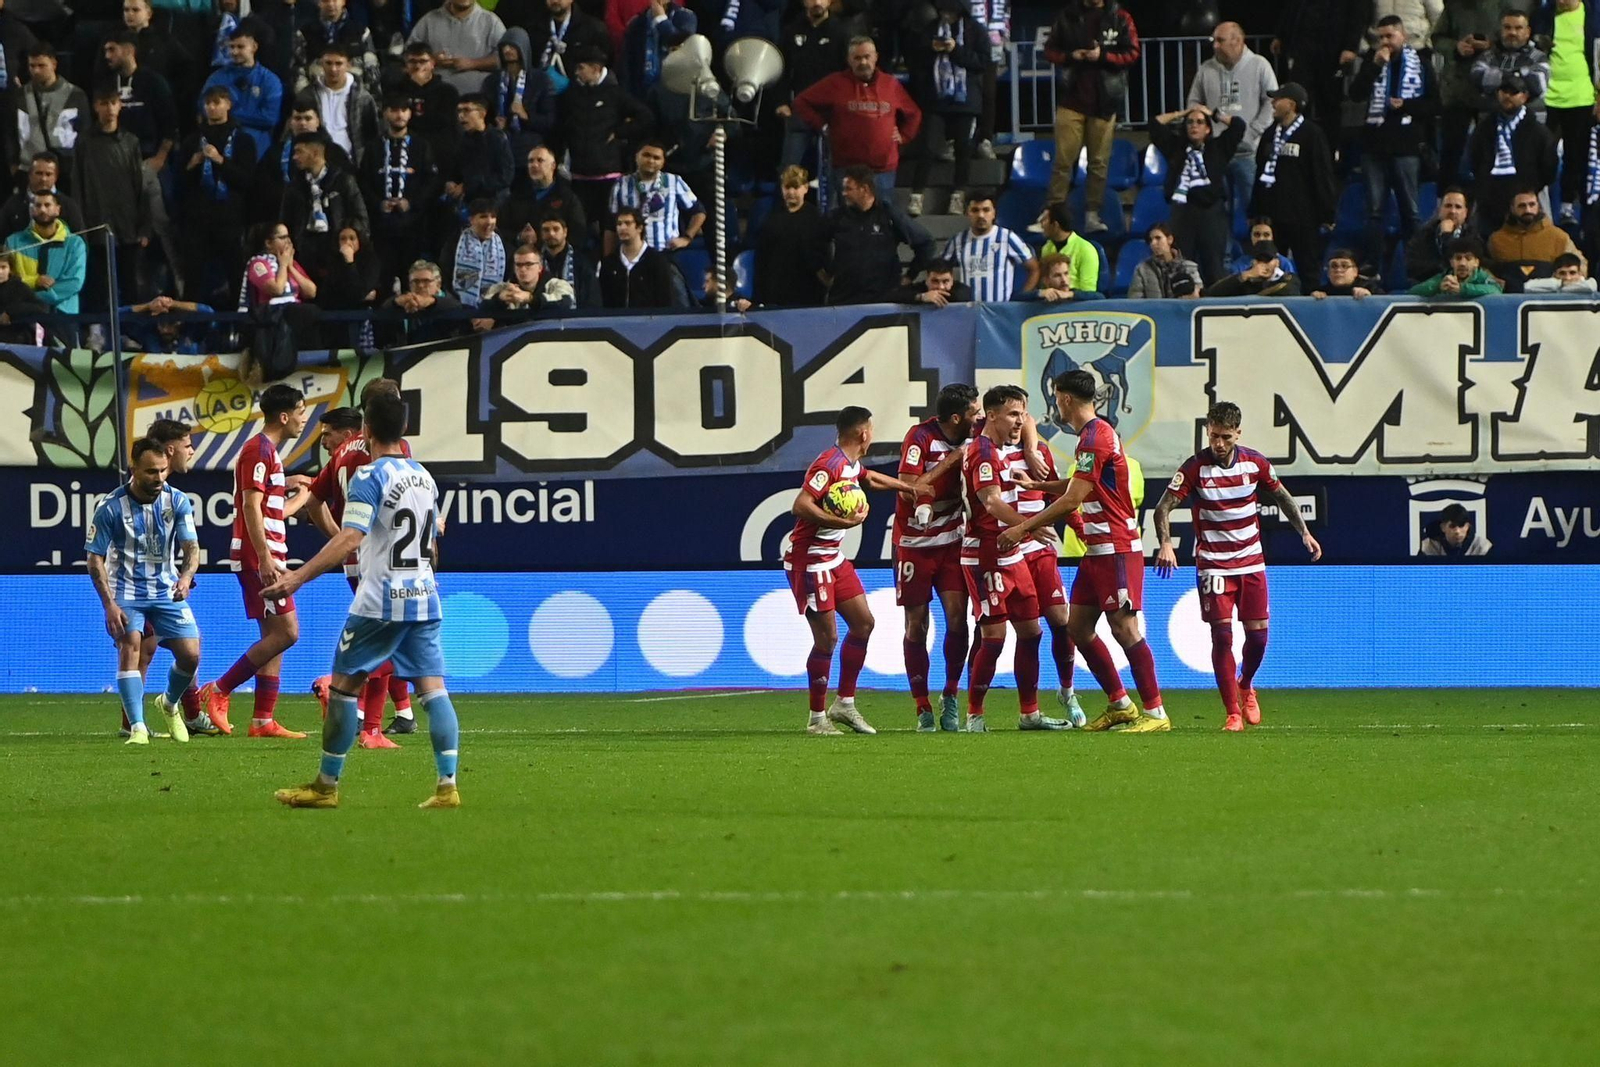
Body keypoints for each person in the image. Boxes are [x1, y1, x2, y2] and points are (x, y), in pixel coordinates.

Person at [267, 391, 464, 809]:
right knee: (434, 690)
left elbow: (351, 537)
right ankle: (447, 786)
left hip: (379, 602)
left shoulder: (369, 477)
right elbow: (429, 543)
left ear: (366, 430)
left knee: (342, 689)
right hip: (424, 597)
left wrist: (297, 577)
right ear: (405, 430)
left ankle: (325, 786)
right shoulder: (425, 477)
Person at [999, 370, 1168, 732]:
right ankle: (1120, 704)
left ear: (1065, 399)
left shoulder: (1095, 437)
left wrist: (1022, 528)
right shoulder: (1093, 435)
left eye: (1055, 397)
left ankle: (1156, 713)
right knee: (1077, 627)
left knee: (1124, 628)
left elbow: (1074, 498)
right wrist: (1038, 483)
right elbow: (1081, 485)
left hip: (1117, 548)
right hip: (1098, 550)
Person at [1152, 400, 1322, 731]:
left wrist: (1304, 533)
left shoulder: (1255, 464)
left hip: (1251, 562)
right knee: (1222, 637)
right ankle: (1232, 712)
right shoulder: (1194, 468)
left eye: (1226, 437)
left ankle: (1245, 684)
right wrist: (1167, 543)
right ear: (1207, 431)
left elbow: (1283, 497)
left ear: (1238, 434)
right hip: (1213, 566)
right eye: (1213, 436)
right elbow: (1163, 508)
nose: (1218, 444)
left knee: (1258, 638)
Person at [784, 405, 920, 735]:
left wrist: (910, 487)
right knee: (827, 638)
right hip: (810, 560)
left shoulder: (849, 464)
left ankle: (844, 704)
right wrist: (842, 521)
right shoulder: (828, 464)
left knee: (863, 624)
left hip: (833, 557)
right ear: (863, 433)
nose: (871, 435)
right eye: (871, 430)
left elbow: (868, 477)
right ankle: (817, 719)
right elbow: (800, 505)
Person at [302, 383, 417, 745]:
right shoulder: (390, 450)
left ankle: (374, 723)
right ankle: (353, 706)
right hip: (385, 558)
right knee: (395, 640)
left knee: (387, 639)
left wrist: (339, 537)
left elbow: (313, 501)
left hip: (354, 556)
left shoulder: (340, 455)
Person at [954, 386, 1072, 731]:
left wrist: (1023, 531)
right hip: (985, 554)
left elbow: (1027, 422)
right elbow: (991, 503)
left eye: (1022, 414)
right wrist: (1029, 526)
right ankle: (974, 715)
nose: (1020, 421)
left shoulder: (999, 447)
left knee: (1031, 631)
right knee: (994, 637)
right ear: (990, 416)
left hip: (1010, 551)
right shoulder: (984, 452)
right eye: (1012, 415)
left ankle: (1030, 713)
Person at [196, 383, 310, 739]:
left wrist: (298, 493)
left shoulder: (268, 454)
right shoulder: (257, 450)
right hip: (260, 556)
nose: (305, 419)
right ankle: (219, 690)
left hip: (269, 551)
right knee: (288, 632)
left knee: (274, 635)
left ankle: (262, 720)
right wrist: (264, 556)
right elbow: (249, 505)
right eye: (302, 411)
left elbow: (271, 509)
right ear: (284, 415)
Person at [86, 437, 203, 746]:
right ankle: (137, 727)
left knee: (191, 655)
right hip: (125, 591)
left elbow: (191, 547)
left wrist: (186, 576)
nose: (159, 478)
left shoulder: (177, 501)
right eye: (151, 472)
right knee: (131, 647)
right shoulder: (110, 507)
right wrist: (109, 605)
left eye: (163, 471)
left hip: (166, 589)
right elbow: (94, 558)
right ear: (133, 469)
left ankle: (167, 703)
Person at [892, 382, 976, 731]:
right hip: (914, 541)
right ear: (957, 418)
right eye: (974, 412)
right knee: (916, 624)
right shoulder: (921, 438)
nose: (980, 417)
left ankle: (951, 695)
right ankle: (921, 706)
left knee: (959, 618)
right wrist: (956, 459)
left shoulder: (978, 434)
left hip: (953, 539)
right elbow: (910, 486)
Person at [1041, 0, 1140, 228]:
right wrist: (1069, 56)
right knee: (1063, 161)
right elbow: (1050, 50)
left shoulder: (1120, 16)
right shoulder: (1067, 15)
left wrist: (1103, 56)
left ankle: (1092, 214)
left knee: (1098, 163)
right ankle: (1052, 214)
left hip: (1104, 102)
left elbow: (1133, 52)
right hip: (1071, 99)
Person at [1349, 16, 1437, 268]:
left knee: (1410, 211)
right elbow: (1355, 94)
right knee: (1374, 211)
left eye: (1390, 36)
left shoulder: (1420, 63)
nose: (1385, 42)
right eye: (1381, 37)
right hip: (1374, 146)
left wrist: (1406, 105)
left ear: (1403, 36)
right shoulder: (1371, 61)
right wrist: (1375, 66)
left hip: (1407, 147)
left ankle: (1416, 265)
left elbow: (1435, 104)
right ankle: (1372, 265)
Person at [792, 35, 922, 203]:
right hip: (846, 168)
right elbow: (801, 102)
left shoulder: (890, 84)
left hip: (882, 170)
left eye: (867, 57)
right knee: (845, 219)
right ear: (849, 60)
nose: (863, 62)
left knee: (882, 219)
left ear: (876, 57)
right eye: (857, 58)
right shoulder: (835, 83)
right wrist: (822, 126)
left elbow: (914, 114)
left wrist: (904, 136)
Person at [1432, 0, 1529, 189]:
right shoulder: (1454, 6)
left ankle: (1486, 201)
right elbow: (1437, 38)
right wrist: (1456, 47)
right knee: (1451, 152)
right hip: (1458, 90)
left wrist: (1492, 46)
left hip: (1492, 91)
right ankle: (1444, 203)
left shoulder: (1504, 6)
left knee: (1489, 152)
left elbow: (1514, 40)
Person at [906, 0, 990, 218]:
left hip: (966, 100)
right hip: (936, 99)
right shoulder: (930, 28)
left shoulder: (976, 30)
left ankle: (958, 195)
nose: (947, 15)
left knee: (964, 148)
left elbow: (982, 62)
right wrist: (930, 49)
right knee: (928, 147)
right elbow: (914, 59)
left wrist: (955, 50)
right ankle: (917, 195)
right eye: (943, 10)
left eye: (951, 11)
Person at [1187, 21, 1278, 219]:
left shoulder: (1260, 65)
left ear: (1237, 41)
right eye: (1214, 41)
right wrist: (1205, 132)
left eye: (1220, 40)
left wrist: (1252, 132)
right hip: (1216, 152)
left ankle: (1260, 249)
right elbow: (1193, 103)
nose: (1215, 46)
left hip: (1248, 152)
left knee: (1256, 210)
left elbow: (1272, 102)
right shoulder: (1206, 69)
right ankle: (1223, 251)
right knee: (1217, 213)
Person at [560, 46, 654, 235]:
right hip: (579, 176)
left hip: (608, 177)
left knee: (609, 228)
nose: (577, 73)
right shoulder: (572, 94)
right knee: (577, 227)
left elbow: (646, 117)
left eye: (581, 68)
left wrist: (619, 132)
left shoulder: (615, 93)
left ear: (595, 69)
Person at [1149, 104, 1247, 284]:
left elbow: (1238, 125)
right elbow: (1155, 124)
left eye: (1200, 122)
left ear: (1208, 128)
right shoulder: (1175, 147)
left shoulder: (1218, 148)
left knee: (1214, 267)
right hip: (1183, 213)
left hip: (1211, 213)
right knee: (1182, 265)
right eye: (1190, 122)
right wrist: (1182, 112)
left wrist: (1213, 113)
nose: (1194, 125)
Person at [180, 86, 256, 307]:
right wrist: (191, 166)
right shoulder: (192, 141)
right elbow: (180, 184)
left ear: (228, 105)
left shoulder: (243, 140)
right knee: (192, 277)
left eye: (218, 102)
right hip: (197, 218)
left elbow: (246, 181)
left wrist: (221, 161)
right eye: (209, 103)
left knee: (235, 274)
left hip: (229, 217)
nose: (212, 107)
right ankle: (190, 326)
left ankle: (241, 326)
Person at [74, 88, 151, 305]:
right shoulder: (84, 142)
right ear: (96, 106)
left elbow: (140, 185)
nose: (109, 109)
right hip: (95, 224)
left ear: (120, 106)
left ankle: (130, 332)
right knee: (98, 283)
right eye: (104, 103)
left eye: (113, 103)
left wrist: (144, 226)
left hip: (127, 223)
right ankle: (97, 329)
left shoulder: (130, 142)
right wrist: (82, 227)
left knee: (130, 283)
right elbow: (78, 185)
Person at [820, 164, 933, 304]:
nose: (844, 193)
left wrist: (910, 275)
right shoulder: (837, 217)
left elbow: (926, 243)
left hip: (882, 299)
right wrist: (825, 272)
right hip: (844, 298)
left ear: (865, 189)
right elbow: (816, 243)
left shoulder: (889, 215)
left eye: (849, 189)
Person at [363, 94, 440, 296]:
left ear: (410, 114)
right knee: (383, 281)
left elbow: (431, 181)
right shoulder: (373, 147)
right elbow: (363, 181)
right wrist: (379, 204)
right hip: (382, 226)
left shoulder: (421, 146)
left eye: (404, 110)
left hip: (413, 225)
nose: (399, 115)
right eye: (394, 110)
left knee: (413, 280)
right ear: (385, 113)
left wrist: (412, 203)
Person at [1271, 1, 1371, 149]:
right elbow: (1292, 7)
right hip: (1303, 47)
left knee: (1329, 104)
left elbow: (1359, 13)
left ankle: (1329, 153)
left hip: (1332, 49)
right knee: (1297, 99)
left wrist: (1350, 46)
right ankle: (1296, 146)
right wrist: (1281, 35)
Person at [1470, 74, 1559, 233]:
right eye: (1504, 91)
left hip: (1527, 202)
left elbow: (1549, 167)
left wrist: (1530, 188)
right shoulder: (1484, 128)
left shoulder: (1539, 132)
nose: (1507, 96)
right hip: (1490, 203)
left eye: (1514, 92)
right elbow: (1474, 159)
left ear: (1524, 97)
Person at [1537, 0, 1598, 224]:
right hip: (1546, 98)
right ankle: (1537, 208)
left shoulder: (1592, 16)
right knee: (1542, 157)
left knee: (1576, 157)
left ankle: (1567, 208)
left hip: (1581, 96)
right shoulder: (1544, 15)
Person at [774, 0, 849, 170]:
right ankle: (785, 197)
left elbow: (849, 73)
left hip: (833, 111)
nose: (816, 2)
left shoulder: (842, 32)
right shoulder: (791, 31)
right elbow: (781, 69)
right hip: (800, 109)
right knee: (788, 168)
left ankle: (835, 197)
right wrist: (781, 102)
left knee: (837, 169)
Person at [283, 131, 369, 278]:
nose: (294, 157)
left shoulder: (343, 181)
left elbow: (360, 217)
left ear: (315, 152)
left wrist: (346, 242)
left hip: (335, 253)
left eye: (299, 152)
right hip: (305, 253)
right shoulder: (294, 186)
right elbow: (286, 221)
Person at [200, 20, 284, 156]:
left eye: (240, 47)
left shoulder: (270, 80)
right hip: (219, 149)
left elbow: (270, 118)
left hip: (258, 150)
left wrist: (229, 115)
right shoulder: (217, 78)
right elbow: (202, 107)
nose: (234, 51)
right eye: (231, 47)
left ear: (254, 47)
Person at [5, 191, 86, 328]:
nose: (42, 209)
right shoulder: (13, 242)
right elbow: (8, 279)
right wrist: (35, 280)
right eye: (38, 205)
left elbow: (74, 282)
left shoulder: (75, 243)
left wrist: (33, 299)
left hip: (63, 314)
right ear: (31, 210)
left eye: (47, 205)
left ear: (58, 209)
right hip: (23, 317)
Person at [609, 139, 704, 252]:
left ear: (663, 162)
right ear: (636, 157)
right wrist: (609, 257)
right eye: (646, 155)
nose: (651, 160)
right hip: (631, 252)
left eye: (656, 158)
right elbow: (610, 224)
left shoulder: (674, 181)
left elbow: (698, 211)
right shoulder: (621, 184)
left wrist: (687, 238)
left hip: (665, 251)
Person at [940, 190, 1036, 301]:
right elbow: (940, 270)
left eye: (986, 210)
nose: (981, 215)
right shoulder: (958, 240)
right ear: (967, 213)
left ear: (994, 213)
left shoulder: (1007, 238)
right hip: (968, 311)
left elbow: (1034, 269)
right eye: (975, 210)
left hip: (1000, 311)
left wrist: (1021, 298)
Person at [754, 165, 826, 307]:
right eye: (787, 187)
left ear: (805, 188)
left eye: (796, 187)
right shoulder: (771, 219)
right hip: (776, 295)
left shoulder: (815, 218)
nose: (791, 192)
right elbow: (762, 260)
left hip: (808, 294)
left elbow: (820, 257)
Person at [1489, 185, 1588, 285]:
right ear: (1512, 208)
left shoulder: (1558, 237)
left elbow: (1580, 264)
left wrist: (1573, 281)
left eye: (1532, 205)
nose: (1528, 210)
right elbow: (1485, 268)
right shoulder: (1496, 240)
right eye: (1522, 206)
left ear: (1539, 206)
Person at [486, 28, 556, 162]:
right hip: (499, 145)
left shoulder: (540, 80)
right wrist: (494, 125)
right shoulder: (492, 81)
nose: (507, 50)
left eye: (512, 46)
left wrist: (526, 116)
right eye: (504, 47)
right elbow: (484, 113)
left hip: (531, 147)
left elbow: (550, 121)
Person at [408, 0, 506, 95]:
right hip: (435, 98)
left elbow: (506, 57)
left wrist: (472, 64)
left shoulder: (491, 22)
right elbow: (408, 55)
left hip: (477, 100)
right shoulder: (429, 20)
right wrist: (432, 60)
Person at [501, 144, 586, 250]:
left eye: (540, 160)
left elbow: (578, 234)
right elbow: (501, 230)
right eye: (530, 161)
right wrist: (519, 237)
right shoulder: (516, 197)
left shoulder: (567, 198)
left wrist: (546, 240)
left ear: (553, 165)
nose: (534, 165)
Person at [443, 94, 515, 220]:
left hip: (493, 203)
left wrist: (468, 186)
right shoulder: (460, 141)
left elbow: (505, 177)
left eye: (466, 110)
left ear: (482, 114)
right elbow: (454, 170)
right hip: (466, 203)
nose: (461, 115)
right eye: (459, 111)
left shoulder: (497, 138)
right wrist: (451, 183)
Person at [1471, 8, 1551, 118]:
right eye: (1507, 27)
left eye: (1518, 28)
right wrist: (1520, 75)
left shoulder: (1539, 57)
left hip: (1531, 121)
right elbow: (1477, 77)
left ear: (1527, 32)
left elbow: (1537, 85)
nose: (1512, 32)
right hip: (1491, 121)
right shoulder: (1487, 56)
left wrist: (1497, 78)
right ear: (1501, 31)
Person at [598, 205, 682, 308]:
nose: (622, 227)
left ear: (639, 228)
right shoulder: (609, 263)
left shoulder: (657, 261)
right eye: (619, 224)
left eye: (627, 223)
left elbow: (665, 300)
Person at [312, 43, 380, 168]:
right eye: (328, 63)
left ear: (348, 65)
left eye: (338, 64)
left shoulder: (363, 98)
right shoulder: (310, 94)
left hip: (352, 164)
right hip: (318, 162)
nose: (333, 69)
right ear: (321, 63)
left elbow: (372, 134)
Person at [291, 0, 380, 95]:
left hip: (355, 97)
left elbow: (372, 70)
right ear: (318, 2)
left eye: (335, 0)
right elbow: (297, 71)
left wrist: (365, 101)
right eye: (326, 1)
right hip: (316, 98)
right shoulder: (305, 33)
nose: (331, 4)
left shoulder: (361, 32)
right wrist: (308, 101)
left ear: (343, 1)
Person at [398, 42, 462, 163]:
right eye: (412, 61)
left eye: (423, 61)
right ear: (406, 65)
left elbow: (443, 123)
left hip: (440, 152)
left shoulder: (448, 91)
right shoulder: (397, 90)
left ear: (432, 63)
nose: (417, 66)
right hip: (406, 151)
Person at [478, 242, 576, 321]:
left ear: (540, 267)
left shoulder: (557, 285)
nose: (523, 269)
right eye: (518, 265)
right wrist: (499, 300)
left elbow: (566, 304)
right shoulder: (501, 289)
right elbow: (480, 309)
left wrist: (531, 299)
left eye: (528, 264)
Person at [526, 0, 612, 89]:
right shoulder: (534, 28)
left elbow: (606, 63)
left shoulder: (593, 28)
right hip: (543, 94)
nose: (555, 1)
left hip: (581, 95)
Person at [619, 0, 697, 96]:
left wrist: (661, 20)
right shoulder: (637, 23)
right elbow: (627, 65)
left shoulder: (685, 17)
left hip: (673, 93)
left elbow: (677, 42)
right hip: (642, 93)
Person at [0, 152, 85, 239]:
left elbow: (79, 242)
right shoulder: (12, 205)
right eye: (39, 173)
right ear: (29, 174)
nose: (43, 179)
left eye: (48, 174)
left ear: (56, 176)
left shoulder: (69, 206)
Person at [442, 199, 507, 307]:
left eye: (493, 216)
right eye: (483, 216)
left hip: (494, 311)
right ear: (471, 219)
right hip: (459, 309)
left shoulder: (504, 246)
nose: (489, 221)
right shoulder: (454, 244)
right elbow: (446, 274)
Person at [1406, 186, 1477, 284]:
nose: (1452, 211)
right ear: (1439, 209)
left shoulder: (1473, 236)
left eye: (1458, 207)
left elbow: (1473, 268)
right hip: (1428, 289)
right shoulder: (1423, 234)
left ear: (1465, 213)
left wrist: (1446, 236)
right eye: (1448, 206)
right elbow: (1413, 267)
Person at [240, 221, 318, 310]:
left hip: (292, 311)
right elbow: (277, 290)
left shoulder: (289, 262)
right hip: (271, 314)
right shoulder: (258, 263)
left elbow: (311, 292)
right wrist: (283, 266)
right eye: (283, 237)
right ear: (268, 243)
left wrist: (291, 267)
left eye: (288, 236)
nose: (288, 241)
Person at [385, 259, 465, 344]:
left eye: (426, 281)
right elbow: (384, 309)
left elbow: (456, 308)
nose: (420, 285)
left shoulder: (451, 303)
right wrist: (396, 302)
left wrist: (429, 302)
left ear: (438, 284)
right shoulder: (408, 302)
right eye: (415, 281)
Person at [1037, 201, 1101, 293]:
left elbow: (1089, 291)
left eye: (1045, 220)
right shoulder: (1046, 248)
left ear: (1055, 225)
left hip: (1077, 304)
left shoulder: (1086, 249)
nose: (1041, 224)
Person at [1127, 221, 1202, 299]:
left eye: (1158, 238)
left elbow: (1199, 295)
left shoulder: (1189, 267)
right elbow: (1135, 300)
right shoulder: (1142, 270)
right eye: (1150, 240)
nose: (1153, 243)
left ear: (1170, 239)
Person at [1409, 236, 1505, 295]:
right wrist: (1438, 286)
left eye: (1468, 258)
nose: (1462, 263)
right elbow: (1413, 293)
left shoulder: (1482, 277)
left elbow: (1496, 291)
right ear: (1451, 262)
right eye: (1458, 258)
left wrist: (1462, 289)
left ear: (1476, 262)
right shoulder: (1444, 277)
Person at [539, 211, 598, 307]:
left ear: (565, 232)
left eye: (556, 229)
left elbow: (591, 298)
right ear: (541, 234)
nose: (551, 234)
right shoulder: (534, 262)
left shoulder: (581, 262)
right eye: (546, 230)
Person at [1206, 240, 1303, 296]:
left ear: (1277, 262)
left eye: (1267, 260)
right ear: (1253, 262)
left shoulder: (1289, 279)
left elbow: (1290, 292)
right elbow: (1212, 293)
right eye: (1260, 260)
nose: (1263, 265)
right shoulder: (1245, 281)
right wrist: (1245, 276)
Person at [0, 250, 44, 344]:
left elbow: (40, 307)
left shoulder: (19, 287)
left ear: (10, 269)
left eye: (3, 267)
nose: (0, 271)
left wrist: (10, 312)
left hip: (16, 340)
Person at [1418, 502, 1493, 556]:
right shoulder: (1428, 547)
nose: (1457, 531)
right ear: (1443, 527)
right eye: (1452, 526)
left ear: (1467, 526)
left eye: (1461, 525)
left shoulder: (1482, 547)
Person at [894, 256, 972, 305]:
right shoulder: (920, 288)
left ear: (952, 279)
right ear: (927, 278)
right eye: (935, 281)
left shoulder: (961, 289)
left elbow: (964, 295)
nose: (940, 287)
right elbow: (894, 296)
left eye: (945, 281)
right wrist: (921, 297)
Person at [1312, 248, 1385, 297]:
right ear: (1328, 272)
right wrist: (1313, 301)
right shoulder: (1321, 292)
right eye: (1334, 266)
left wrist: (1370, 298)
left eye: (1344, 266)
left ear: (1355, 272)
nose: (1338, 270)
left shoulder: (1371, 288)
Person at [1526, 250, 1598, 290]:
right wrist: (1561, 284)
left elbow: (1591, 286)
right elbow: (1527, 286)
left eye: (1572, 273)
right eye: (1562, 273)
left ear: (1580, 273)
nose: (1567, 277)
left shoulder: (1588, 284)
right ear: (1554, 274)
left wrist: (1564, 286)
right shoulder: (1550, 284)